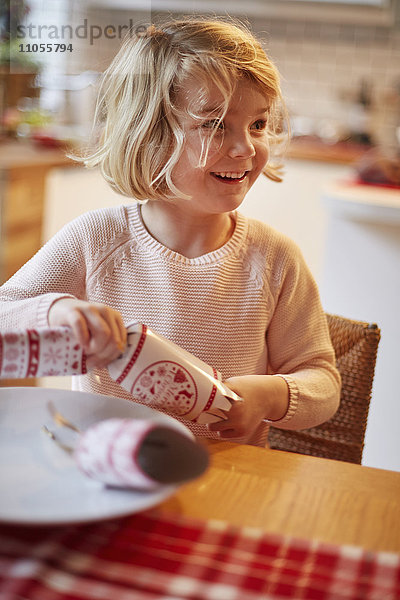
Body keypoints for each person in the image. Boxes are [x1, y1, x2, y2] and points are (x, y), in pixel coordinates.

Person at [0, 18, 340, 446]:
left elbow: (324, 383)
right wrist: (56, 313)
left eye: (257, 124)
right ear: (149, 137)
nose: (246, 148)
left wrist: (272, 395)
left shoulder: (275, 259)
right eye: (215, 125)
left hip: (228, 480)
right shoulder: (96, 240)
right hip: (107, 471)